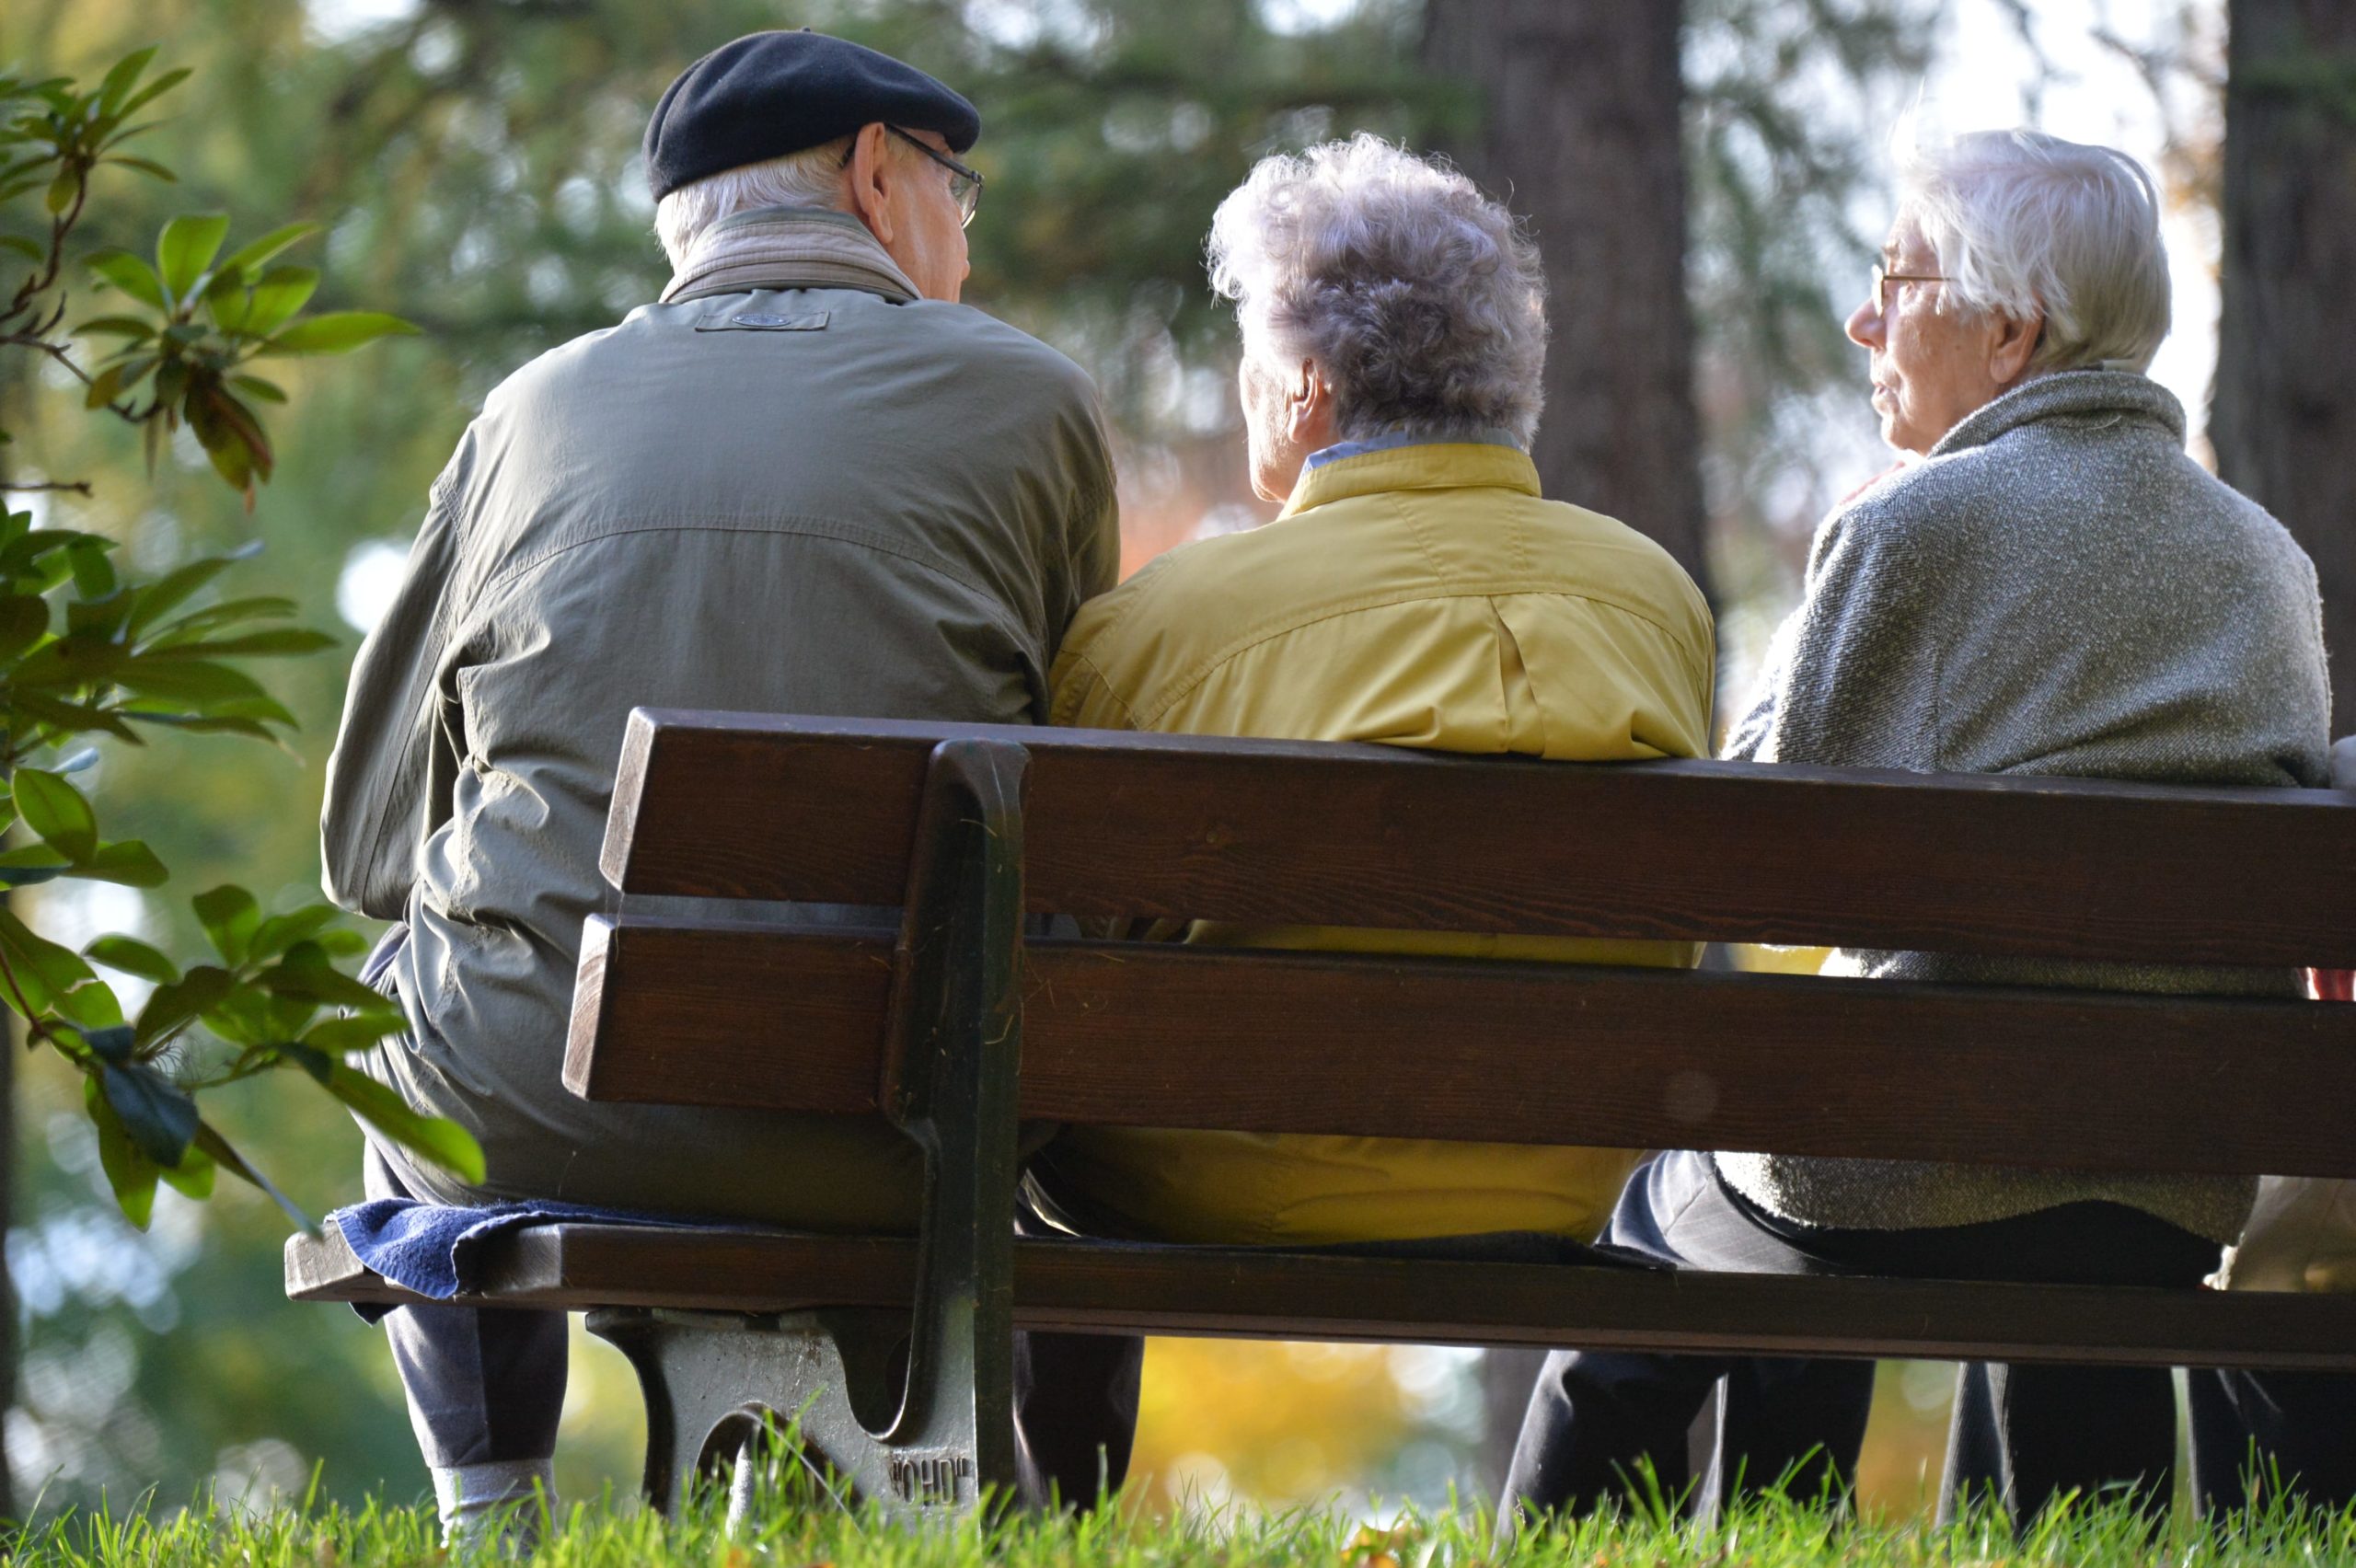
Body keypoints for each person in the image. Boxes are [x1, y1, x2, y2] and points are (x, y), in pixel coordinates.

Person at [319, 30, 1126, 1538]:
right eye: (958, 192)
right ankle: (1060, 1521)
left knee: (400, 991)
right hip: (918, 1135)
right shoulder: (1035, 402)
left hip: (545, 1111)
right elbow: (1093, 818)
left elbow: (368, 848)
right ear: (876, 174)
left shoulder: (527, 415)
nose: (966, 237)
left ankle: (491, 1513)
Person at [1501, 130, 2330, 1528]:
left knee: (1667, 1213)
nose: (1863, 319)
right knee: (2022, 1193)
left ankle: (1578, 1546)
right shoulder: (2267, 558)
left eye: (1897, 280)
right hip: (2169, 1180)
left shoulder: (1916, 524)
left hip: (1905, 1164)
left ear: (2011, 333)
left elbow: (1764, 869)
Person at [1034, 135, 1715, 1251]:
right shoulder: (1657, 601)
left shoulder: (1159, 626)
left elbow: (1066, 952)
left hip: (1226, 1180)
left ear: (1305, 384)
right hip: (1560, 1178)